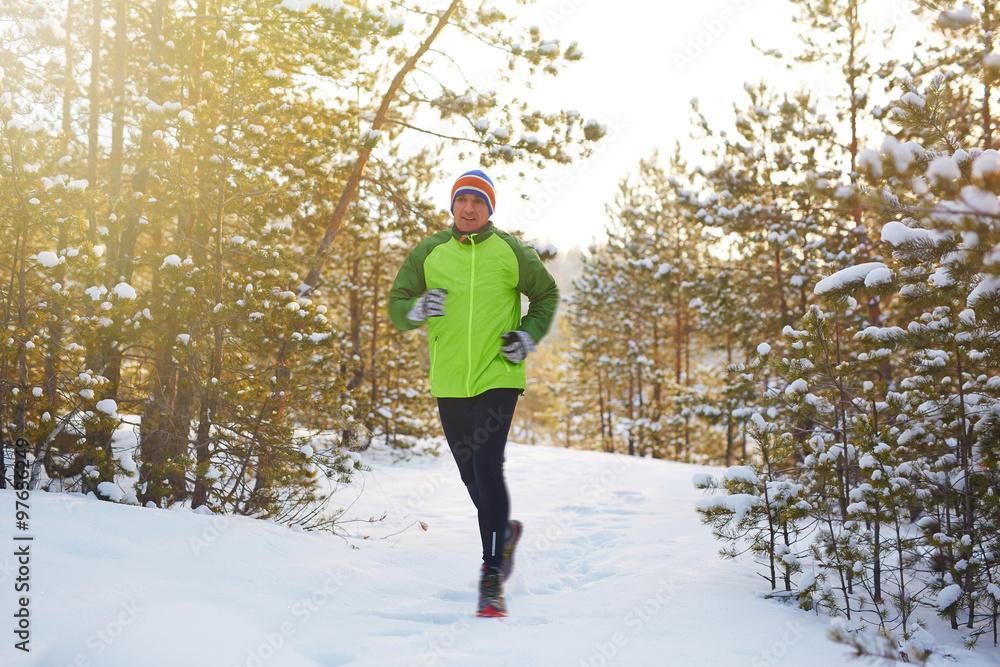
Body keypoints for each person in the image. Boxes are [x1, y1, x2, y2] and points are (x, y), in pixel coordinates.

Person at [388, 169, 559, 617]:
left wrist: (526, 335)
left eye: (478, 201)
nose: (469, 208)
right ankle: (505, 532)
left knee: (487, 464)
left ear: (490, 209)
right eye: (462, 200)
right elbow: (397, 306)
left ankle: (491, 574)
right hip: (449, 379)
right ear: (452, 205)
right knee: (470, 473)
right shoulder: (430, 251)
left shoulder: (511, 250)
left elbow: (546, 294)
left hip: (498, 373)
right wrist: (418, 308)